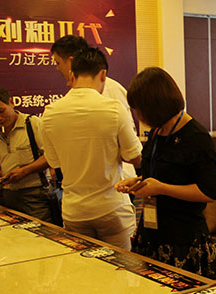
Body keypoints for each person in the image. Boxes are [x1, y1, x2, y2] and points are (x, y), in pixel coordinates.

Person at [114, 67, 216, 279]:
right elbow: (164, 172)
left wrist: (161, 188)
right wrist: (137, 181)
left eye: (140, 110)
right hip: (152, 230)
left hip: (183, 236)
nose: (138, 116)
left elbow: (208, 191)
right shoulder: (158, 131)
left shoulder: (196, 137)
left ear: (155, 106)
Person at [40, 47, 142, 250]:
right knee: (123, 265)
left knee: (85, 267)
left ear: (72, 75)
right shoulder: (113, 109)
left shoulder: (49, 113)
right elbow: (136, 157)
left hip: (74, 210)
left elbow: (54, 162)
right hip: (112, 207)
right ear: (103, 74)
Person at [51, 35, 138, 180]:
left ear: (71, 61)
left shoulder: (110, 89)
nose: (57, 68)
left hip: (117, 178)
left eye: (58, 62)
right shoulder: (70, 96)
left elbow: (127, 143)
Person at [0, 87, 56, 223]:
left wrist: (24, 171)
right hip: (9, 196)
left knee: (41, 233)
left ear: (11, 102)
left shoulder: (32, 124)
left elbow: (51, 156)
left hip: (35, 195)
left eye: (1, 111)